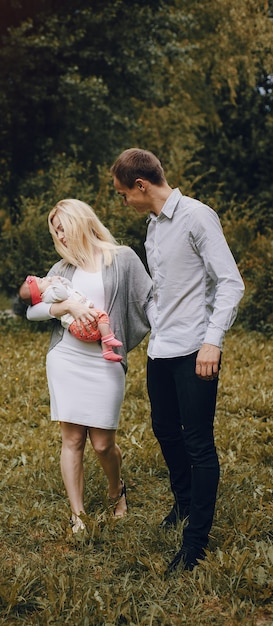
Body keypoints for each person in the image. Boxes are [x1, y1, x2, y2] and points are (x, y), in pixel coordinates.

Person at [111, 148, 245, 573]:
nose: (123, 201)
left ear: (141, 185)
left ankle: (195, 543)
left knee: (198, 441)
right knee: (165, 430)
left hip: (195, 350)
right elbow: (165, 291)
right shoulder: (152, 227)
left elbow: (230, 283)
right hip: (161, 348)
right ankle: (184, 504)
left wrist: (213, 342)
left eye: (122, 193)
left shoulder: (197, 216)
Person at [23, 198, 152, 534]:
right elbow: (31, 310)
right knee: (72, 439)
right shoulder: (60, 270)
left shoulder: (121, 258)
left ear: (81, 221)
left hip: (105, 359)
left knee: (102, 443)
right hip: (66, 358)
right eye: (55, 231)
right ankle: (77, 513)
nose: (60, 236)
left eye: (63, 227)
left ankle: (116, 489)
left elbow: (149, 299)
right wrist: (64, 305)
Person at [19, 274, 123, 361]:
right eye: (41, 281)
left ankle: (107, 351)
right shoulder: (49, 294)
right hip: (78, 324)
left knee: (102, 325)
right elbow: (63, 295)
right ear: (40, 295)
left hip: (79, 326)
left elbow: (69, 286)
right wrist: (55, 282)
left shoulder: (52, 291)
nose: (45, 278)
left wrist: (61, 280)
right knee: (102, 316)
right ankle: (108, 340)